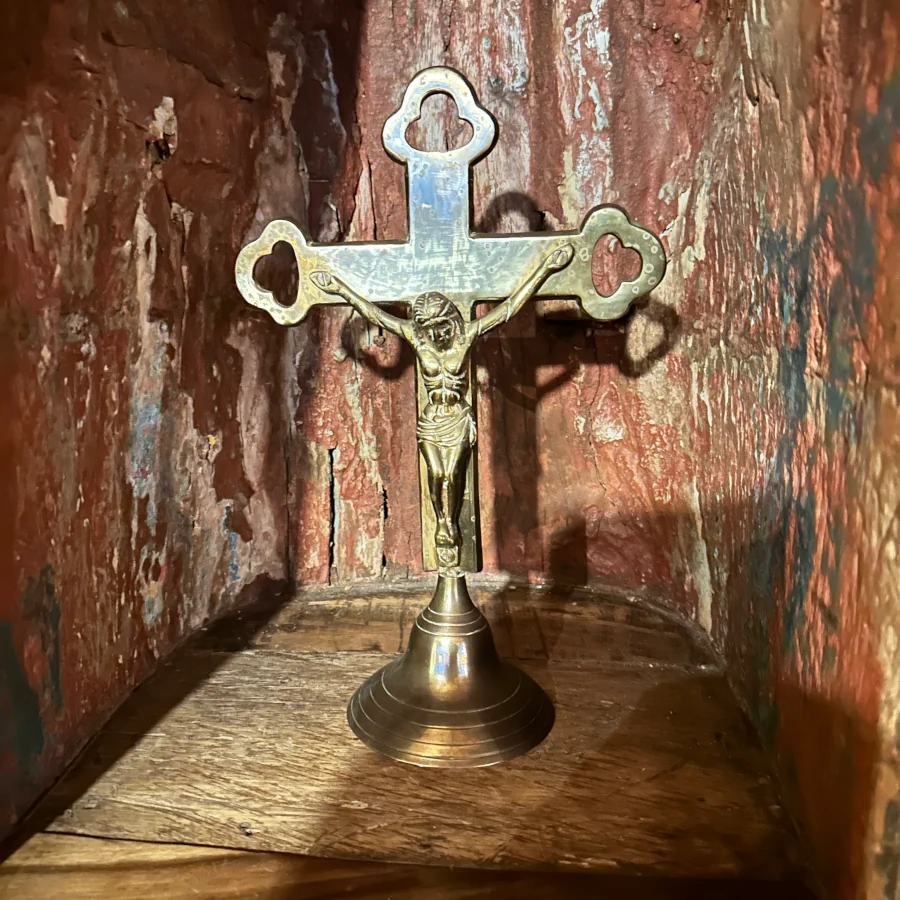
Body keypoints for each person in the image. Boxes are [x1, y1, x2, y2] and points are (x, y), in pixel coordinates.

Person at [311, 243, 574, 566]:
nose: (435, 333)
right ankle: (445, 523)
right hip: (432, 419)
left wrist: (547, 268)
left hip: (458, 419)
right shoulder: (416, 338)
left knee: (452, 474)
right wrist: (337, 288)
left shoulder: (465, 337)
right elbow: (375, 315)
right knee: (437, 474)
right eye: (428, 327)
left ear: (450, 319)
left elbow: (510, 308)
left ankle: (449, 527)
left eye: (440, 326)